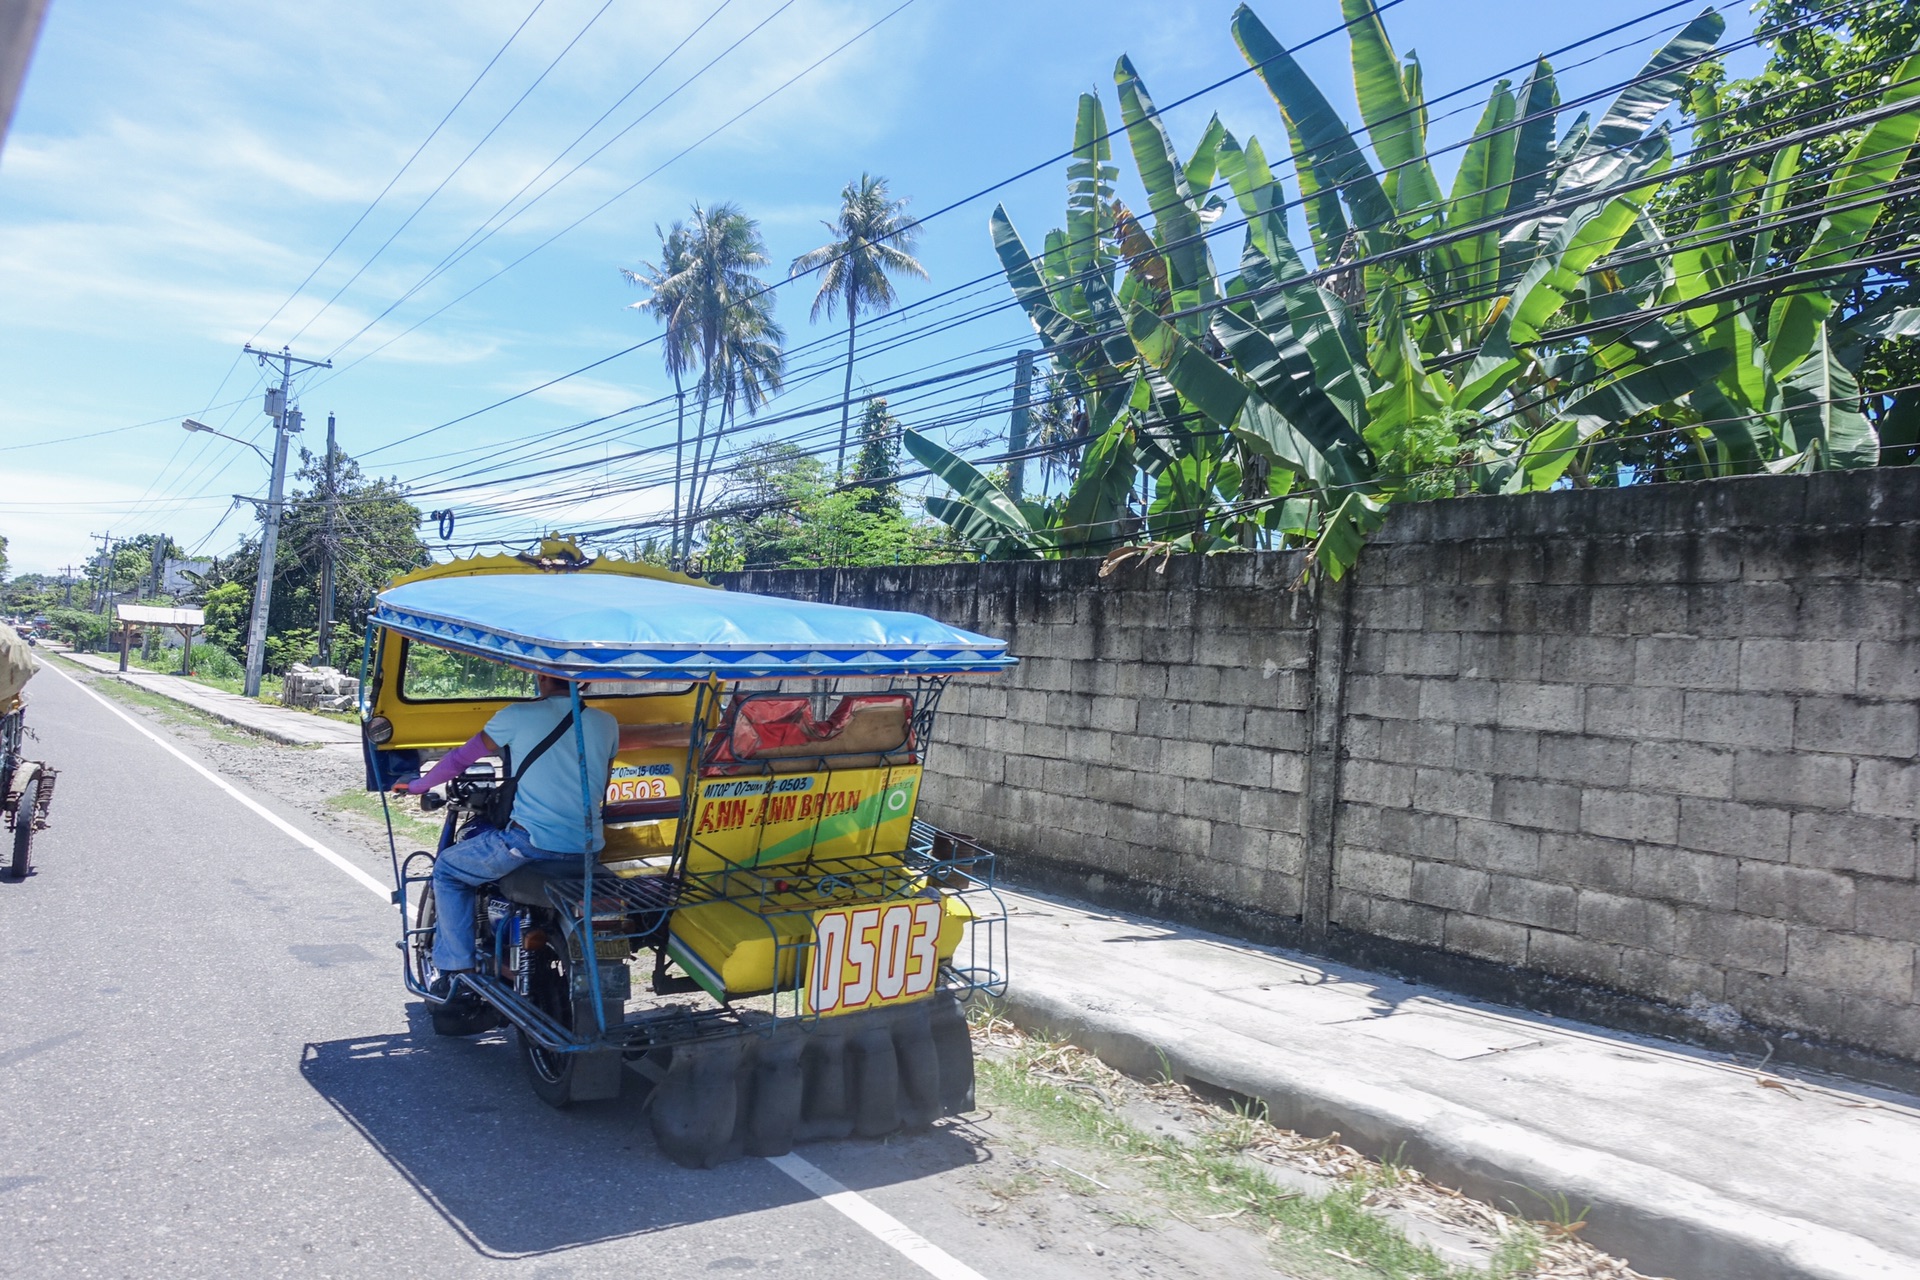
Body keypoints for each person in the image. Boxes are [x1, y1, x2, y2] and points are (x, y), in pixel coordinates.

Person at [395, 671, 619, 997]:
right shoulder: (607, 723)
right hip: (588, 849)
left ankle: (458, 965)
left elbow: (461, 758)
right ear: (583, 681)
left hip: (530, 844)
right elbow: (599, 776)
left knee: (448, 869)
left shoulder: (516, 715)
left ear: (541, 676)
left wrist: (417, 785)